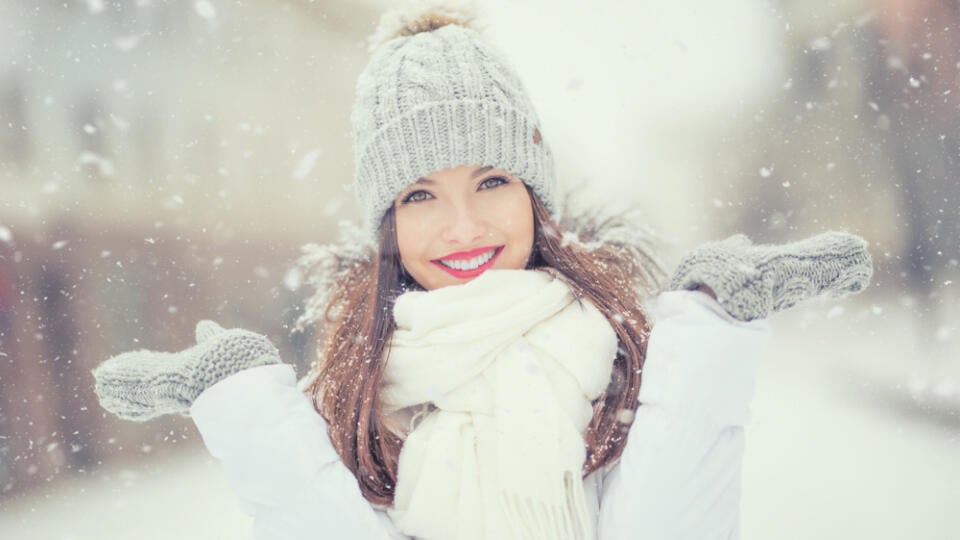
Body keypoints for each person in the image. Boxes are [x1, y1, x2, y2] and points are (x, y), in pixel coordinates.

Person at [92, 6, 873, 540]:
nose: (462, 227)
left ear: (535, 194)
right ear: (388, 223)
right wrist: (242, 400)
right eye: (421, 194)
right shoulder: (360, 396)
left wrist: (710, 323)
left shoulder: (620, 359)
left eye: (492, 181)